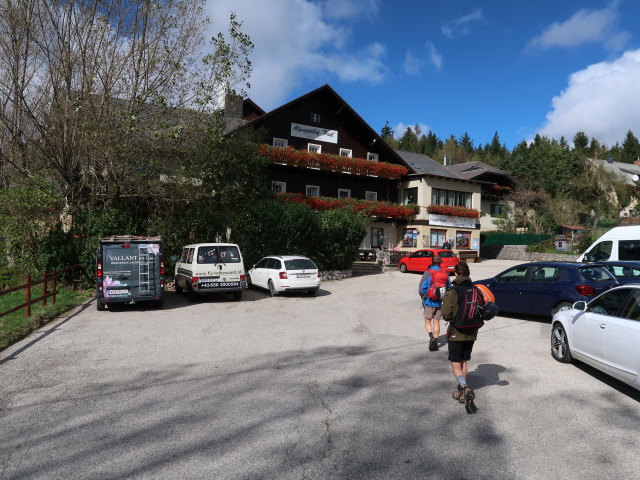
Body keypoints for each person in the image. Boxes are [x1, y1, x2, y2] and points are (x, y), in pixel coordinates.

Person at [441, 261, 482, 414]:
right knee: (464, 361)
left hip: (456, 331)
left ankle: (464, 387)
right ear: (468, 273)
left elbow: (446, 315)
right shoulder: (475, 289)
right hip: (472, 332)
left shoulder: (451, 291)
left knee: (455, 362)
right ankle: (462, 391)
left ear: (456, 274)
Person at [419, 255, 451, 352]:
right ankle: (435, 342)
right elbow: (449, 287)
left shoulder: (428, 273)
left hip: (429, 301)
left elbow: (421, 288)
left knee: (427, 320)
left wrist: (423, 297)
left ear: (431, 262)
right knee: (436, 321)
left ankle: (431, 337)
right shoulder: (445, 273)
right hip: (440, 301)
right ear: (440, 262)